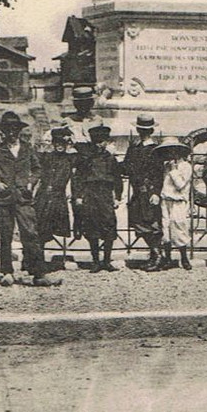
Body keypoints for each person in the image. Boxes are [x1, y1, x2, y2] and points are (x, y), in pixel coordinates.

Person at [0, 114, 61, 288]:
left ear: (19, 131)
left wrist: (31, 183)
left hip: (23, 199)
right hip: (4, 200)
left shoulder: (27, 149)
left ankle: (39, 274)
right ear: (4, 132)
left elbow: (38, 169)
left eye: (15, 130)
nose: (12, 134)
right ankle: (7, 272)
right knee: (6, 236)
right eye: (9, 130)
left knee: (31, 234)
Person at [73, 123, 123, 272]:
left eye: (102, 142)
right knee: (91, 227)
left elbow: (117, 178)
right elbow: (78, 177)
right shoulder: (86, 158)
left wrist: (117, 197)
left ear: (106, 142)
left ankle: (107, 261)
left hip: (106, 194)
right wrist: (78, 196)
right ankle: (95, 261)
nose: (99, 145)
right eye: (97, 142)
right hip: (90, 193)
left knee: (108, 226)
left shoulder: (111, 159)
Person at [120, 114, 163, 270]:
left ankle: (157, 257)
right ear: (137, 129)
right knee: (138, 222)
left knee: (152, 224)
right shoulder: (134, 147)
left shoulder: (155, 149)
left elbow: (159, 173)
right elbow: (125, 167)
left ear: (151, 130)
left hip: (149, 191)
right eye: (141, 129)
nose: (143, 132)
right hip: (137, 191)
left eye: (146, 130)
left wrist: (156, 193)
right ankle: (154, 254)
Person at [65, 85, 103, 239]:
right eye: (80, 103)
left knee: (93, 195)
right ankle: (78, 222)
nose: (84, 106)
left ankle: (91, 225)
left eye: (87, 102)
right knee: (77, 194)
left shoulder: (98, 120)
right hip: (76, 161)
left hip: (93, 161)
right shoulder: (68, 120)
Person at [154, 138, 193, 270]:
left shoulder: (186, 167)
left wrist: (173, 170)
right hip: (166, 201)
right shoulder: (166, 166)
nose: (171, 154)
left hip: (178, 201)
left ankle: (184, 258)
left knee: (179, 227)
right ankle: (168, 258)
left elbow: (180, 185)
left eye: (173, 151)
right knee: (166, 229)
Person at [34, 126, 75, 251]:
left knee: (53, 226)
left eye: (62, 143)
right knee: (40, 227)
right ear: (53, 143)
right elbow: (35, 155)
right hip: (44, 195)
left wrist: (72, 139)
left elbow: (84, 152)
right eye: (57, 143)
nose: (60, 146)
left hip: (58, 197)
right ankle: (37, 258)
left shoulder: (70, 158)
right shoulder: (46, 156)